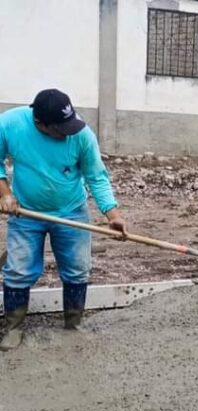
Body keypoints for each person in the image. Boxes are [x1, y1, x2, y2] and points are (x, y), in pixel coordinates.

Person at [0, 89, 127, 351]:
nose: (69, 132)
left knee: (78, 268)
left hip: (71, 211)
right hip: (25, 213)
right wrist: (5, 194)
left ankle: (74, 324)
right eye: (61, 128)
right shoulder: (10, 124)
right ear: (40, 123)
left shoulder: (81, 134)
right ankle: (13, 328)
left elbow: (96, 176)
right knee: (18, 270)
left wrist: (112, 214)